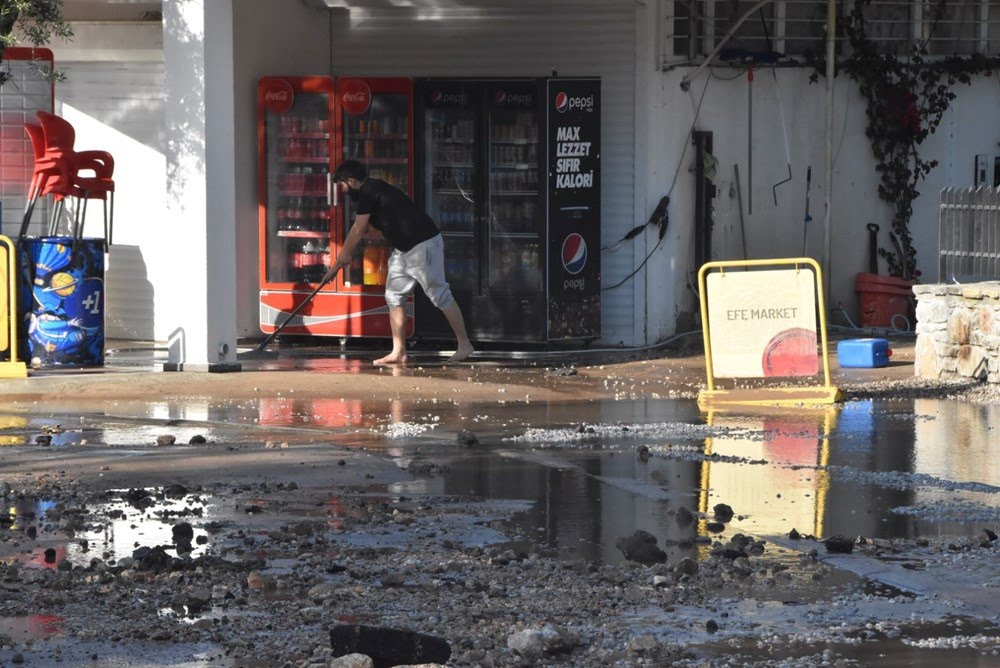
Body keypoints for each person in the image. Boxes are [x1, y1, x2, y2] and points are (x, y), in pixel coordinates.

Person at [322, 160, 474, 365]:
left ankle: (464, 344)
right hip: (404, 249)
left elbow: (358, 229)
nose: (342, 191)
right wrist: (344, 256)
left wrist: (342, 257)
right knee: (394, 296)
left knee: (440, 295)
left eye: (342, 186)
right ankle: (399, 351)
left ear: (351, 181)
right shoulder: (374, 189)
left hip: (423, 245)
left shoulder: (369, 190)